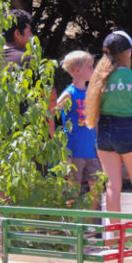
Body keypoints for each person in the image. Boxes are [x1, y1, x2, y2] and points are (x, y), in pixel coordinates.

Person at [84, 31, 132, 222]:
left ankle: (114, 237)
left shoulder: (100, 77)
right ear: (126, 53)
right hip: (127, 129)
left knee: (112, 186)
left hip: (104, 131)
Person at [55, 50, 100, 209]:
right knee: (73, 188)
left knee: (96, 187)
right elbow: (53, 110)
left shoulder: (89, 92)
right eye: (90, 67)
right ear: (77, 70)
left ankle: (93, 225)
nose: (93, 71)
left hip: (90, 149)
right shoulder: (69, 93)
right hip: (74, 149)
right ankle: (73, 225)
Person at [2, 8, 58, 115]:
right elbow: (51, 97)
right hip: (28, 129)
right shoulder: (28, 59)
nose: (32, 36)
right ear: (17, 33)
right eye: (29, 31)